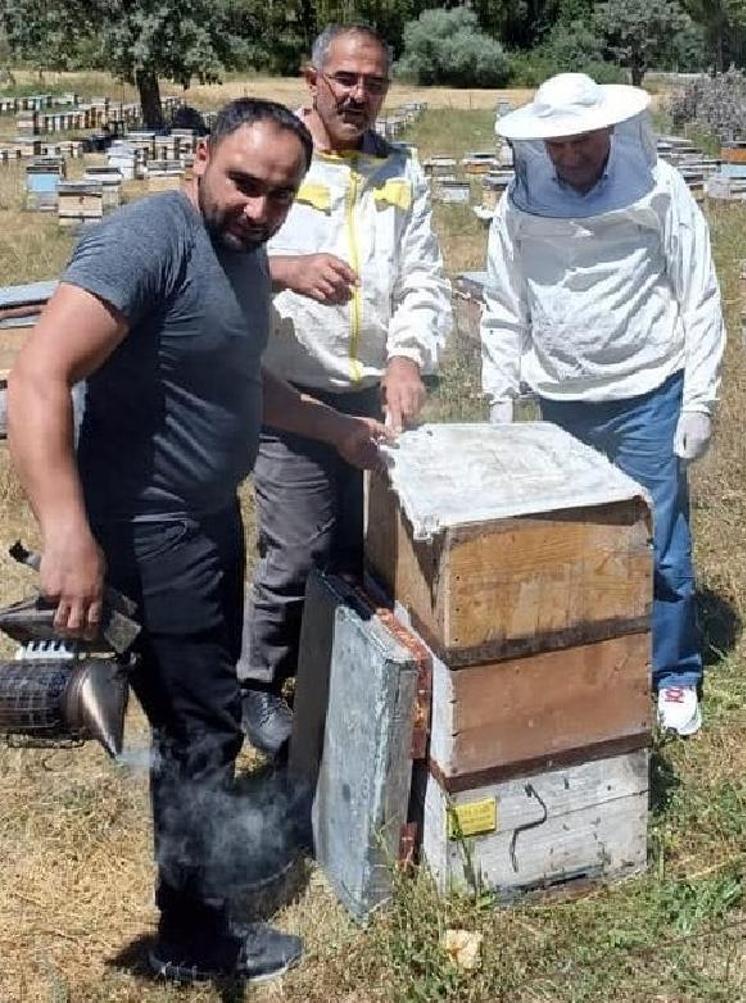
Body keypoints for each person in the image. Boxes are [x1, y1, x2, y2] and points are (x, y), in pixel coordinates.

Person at [7, 97, 390, 985]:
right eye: (244, 184)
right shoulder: (151, 239)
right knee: (199, 731)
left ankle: (198, 892)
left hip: (207, 518)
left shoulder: (238, 254)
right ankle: (192, 934)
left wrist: (332, 427)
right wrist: (66, 531)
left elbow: (234, 373)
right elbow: (37, 376)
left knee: (202, 715)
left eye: (280, 195)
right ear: (201, 158)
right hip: (148, 528)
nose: (259, 208)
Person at [481, 73, 726, 737]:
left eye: (581, 140)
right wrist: (502, 392)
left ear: (609, 130)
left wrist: (698, 399)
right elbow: (504, 303)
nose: (569, 154)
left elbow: (698, 290)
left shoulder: (659, 186)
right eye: (556, 143)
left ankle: (672, 672)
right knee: (574, 540)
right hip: (562, 399)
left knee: (660, 543)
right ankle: (593, 666)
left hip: (650, 390)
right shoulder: (521, 203)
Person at [237, 23, 451, 754]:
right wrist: (287, 271)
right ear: (312, 79)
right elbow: (211, 254)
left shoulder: (401, 171)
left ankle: (344, 671)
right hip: (289, 391)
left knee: (371, 552)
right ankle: (259, 681)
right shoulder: (271, 156)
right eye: (345, 80)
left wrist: (409, 358)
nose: (359, 96)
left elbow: (424, 277)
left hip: (374, 395)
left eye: (375, 83)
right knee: (296, 549)